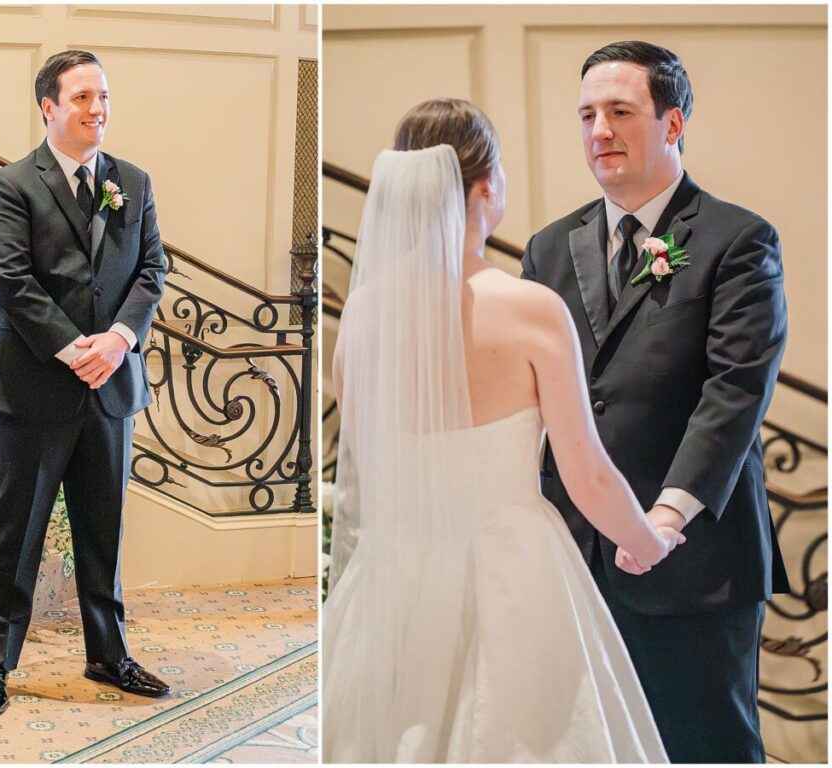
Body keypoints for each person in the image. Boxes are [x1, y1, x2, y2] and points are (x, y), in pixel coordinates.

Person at [323, 98, 683, 763]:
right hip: (512, 567)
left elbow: (367, 463)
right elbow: (587, 473)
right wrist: (648, 539)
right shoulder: (530, 308)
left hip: (399, 568)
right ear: (487, 186)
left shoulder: (365, 312)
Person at [522, 42, 788, 762]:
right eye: (587, 115)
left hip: (692, 559)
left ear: (672, 123)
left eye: (620, 111)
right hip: (574, 555)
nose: (599, 131)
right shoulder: (550, 248)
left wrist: (662, 520)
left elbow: (735, 390)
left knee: (704, 747)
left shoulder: (738, 240)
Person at [0, 50, 169, 715]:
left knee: (103, 530)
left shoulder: (132, 181)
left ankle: (109, 655)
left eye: (103, 96)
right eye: (82, 97)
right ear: (48, 107)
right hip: (35, 388)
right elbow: (9, 277)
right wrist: (72, 347)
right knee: (17, 531)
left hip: (111, 385)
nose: (97, 108)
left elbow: (152, 270)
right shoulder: (12, 185)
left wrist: (119, 340)